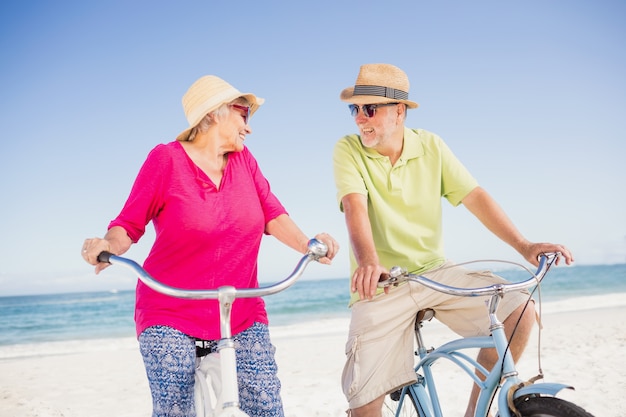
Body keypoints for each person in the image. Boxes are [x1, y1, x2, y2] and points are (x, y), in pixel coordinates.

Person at [81, 74, 339, 417]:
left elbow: (272, 214)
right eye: (243, 114)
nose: (249, 127)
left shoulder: (245, 161)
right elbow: (128, 224)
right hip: (170, 310)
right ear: (214, 113)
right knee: (174, 407)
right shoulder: (166, 160)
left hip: (240, 311)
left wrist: (309, 244)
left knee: (266, 405)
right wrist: (107, 245)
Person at [332, 63, 573, 417]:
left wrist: (524, 245)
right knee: (363, 406)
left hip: (434, 272)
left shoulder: (430, 146)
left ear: (399, 112)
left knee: (520, 311)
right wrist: (368, 260)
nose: (359, 119)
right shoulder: (348, 150)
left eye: (369, 109)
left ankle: (475, 411)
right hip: (381, 285)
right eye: (355, 109)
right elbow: (355, 207)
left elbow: (474, 196)